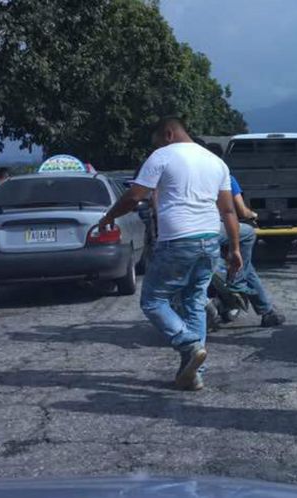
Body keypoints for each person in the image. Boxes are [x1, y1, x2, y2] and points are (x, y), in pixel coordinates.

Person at [99, 117, 242, 391]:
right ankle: (194, 374)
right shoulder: (216, 162)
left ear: (168, 133)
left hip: (177, 241)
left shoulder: (162, 156)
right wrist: (234, 248)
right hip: (210, 240)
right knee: (194, 302)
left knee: (153, 301)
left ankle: (188, 344)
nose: (155, 146)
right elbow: (227, 210)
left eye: (156, 141)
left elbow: (134, 196)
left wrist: (109, 217)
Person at [222, 174, 285, 326]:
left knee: (245, 265)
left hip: (179, 232)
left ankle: (266, 310)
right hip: (214, 229)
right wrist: (253, 215)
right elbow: (241, 211)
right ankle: (238, 282)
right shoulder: (224, 175)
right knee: (244, 259)